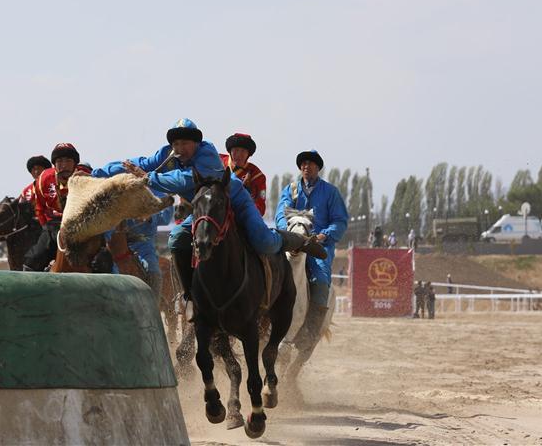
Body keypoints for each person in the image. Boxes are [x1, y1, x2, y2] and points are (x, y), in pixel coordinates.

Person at [93, 118, 323, 320]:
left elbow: (184, 181)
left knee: (264, 241)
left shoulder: (208, 156)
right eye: (176, 144)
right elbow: (137, 164)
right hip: (204, 210)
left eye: (185, 143)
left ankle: (294, 240)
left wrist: (150, 178)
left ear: (196, 144)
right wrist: (97, 174)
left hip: (235, 201)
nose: (180, 148)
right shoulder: (167, 155)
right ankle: (189, 295)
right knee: (176, 240)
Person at [275, 149, 349, 351]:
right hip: (291, 242)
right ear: (300, 167)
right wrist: (288, 230)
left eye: (311, 164)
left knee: (321, 278)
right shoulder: (290, 190)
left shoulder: (330, 192)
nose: (306, 167)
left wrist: (324, 234)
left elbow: (340, 221)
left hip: (317, 246)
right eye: (303, 164)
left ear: (318, 168)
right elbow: (281, 214)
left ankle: (311, 329)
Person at [24, 143, 82, 271]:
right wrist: (46, 228)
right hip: (54, 225)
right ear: (54, 164)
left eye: (68, 160)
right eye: (59, 161)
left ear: (75, 164)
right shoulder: (43, 179)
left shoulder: (86, 176)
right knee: (31, 261)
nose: (64, 165)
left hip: (82, 225)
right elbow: (39, 207)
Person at [110, 206, 174, 299]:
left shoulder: (157, 193)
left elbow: (165, 218)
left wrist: (150, 217)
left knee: (151, 266)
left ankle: (153, 302)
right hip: (114, 244)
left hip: (143, 245)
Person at [220, 133, 267, 215]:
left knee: (258, 226)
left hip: (242, 212)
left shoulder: (257, 176)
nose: (239, 154)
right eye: (236, 150)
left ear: (248, 154)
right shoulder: (218, 162)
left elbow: (260, 206)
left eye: (243, 151)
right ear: (230, 151)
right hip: (215, 208)